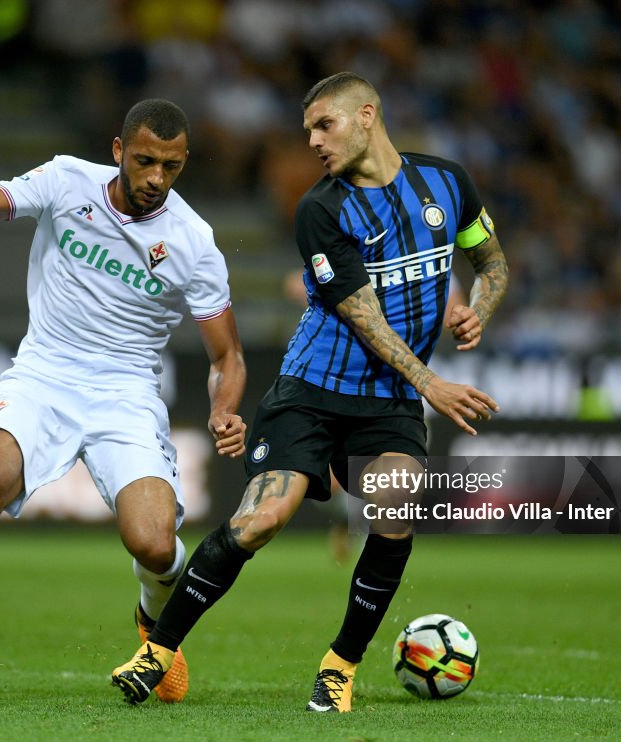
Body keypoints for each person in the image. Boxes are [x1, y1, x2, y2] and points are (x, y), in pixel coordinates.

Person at [112, 72, 508, 712]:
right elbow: (363, 317)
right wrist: (432, 381)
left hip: (387, 403)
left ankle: (339, 668)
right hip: (311, 392)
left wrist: (480, 311)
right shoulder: (320, 210)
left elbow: (490, 263)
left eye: (324, 126)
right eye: (308, 132)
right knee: (259, 521)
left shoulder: (447, 183)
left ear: (367, 116)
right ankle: (158, 650)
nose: (314, 142)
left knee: (395, 506)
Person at [0, 99, 247, 706]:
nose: (158, 178)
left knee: (154, 544)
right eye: (147, 161)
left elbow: (226, 357)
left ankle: (157, 630)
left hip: (126, 393)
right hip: (44, 374)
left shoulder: (194, 241)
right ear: (119, 150)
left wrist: (222, 410)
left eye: (173, 167)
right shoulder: (64, 181)